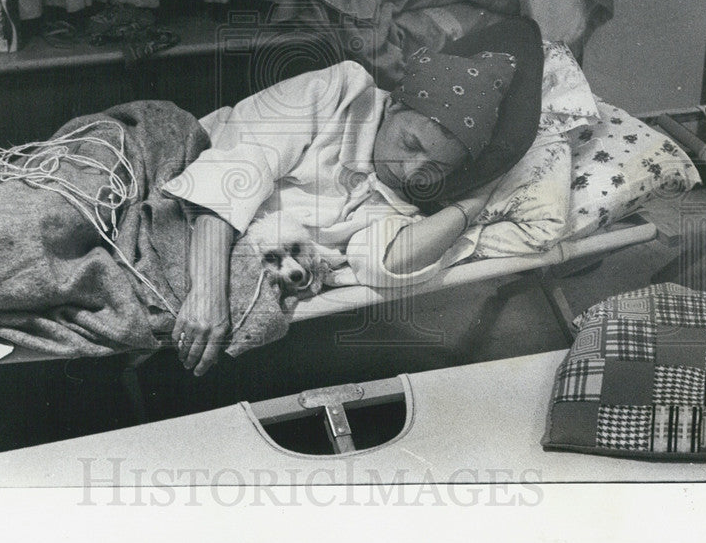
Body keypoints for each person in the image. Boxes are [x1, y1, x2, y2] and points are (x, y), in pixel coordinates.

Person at [161, 45, 518, 376]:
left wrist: (472, 203)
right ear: (393, 105)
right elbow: (233, 174)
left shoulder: (402, 200)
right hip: (181, 181)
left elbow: (388, 261)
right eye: (410, 144)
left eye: (437, 168)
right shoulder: (337, 92)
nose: (411, 171)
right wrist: (207, 292)